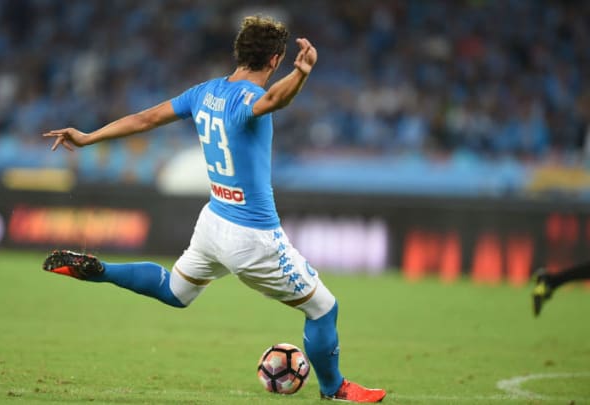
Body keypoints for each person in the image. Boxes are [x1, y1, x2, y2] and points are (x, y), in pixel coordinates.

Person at [41, 15, 386, 403]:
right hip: (253, 237)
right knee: (324, 308)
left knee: (176, 291)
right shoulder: (250, 99)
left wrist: (89, 137)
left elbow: (148, 117)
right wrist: (302, 73)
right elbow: (275, 99)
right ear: (275, 61)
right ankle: (333, 389)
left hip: (214, 220)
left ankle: (100, 272)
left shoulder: (205, 93)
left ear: (239, 53)